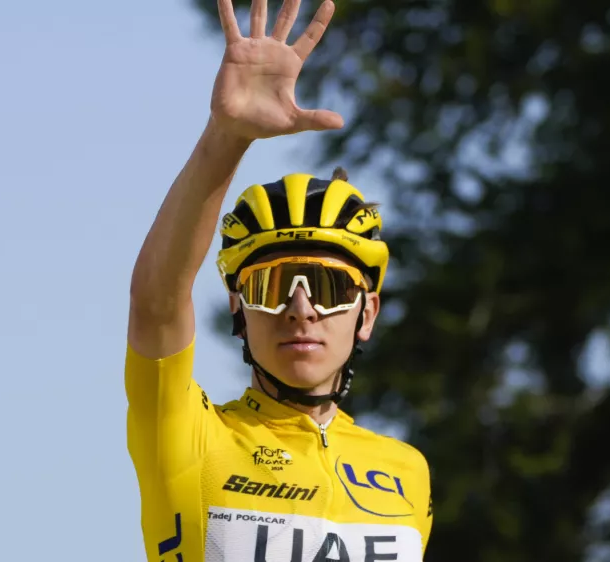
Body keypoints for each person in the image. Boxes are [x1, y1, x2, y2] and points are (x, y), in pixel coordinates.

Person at [124, 0, 433, 560]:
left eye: (330, 287)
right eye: (271, 287)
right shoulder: (187, 436)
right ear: (239, 310)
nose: (301, 309)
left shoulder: (407, 472)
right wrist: (226, 136)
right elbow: (157, 303)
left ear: (367, 313)